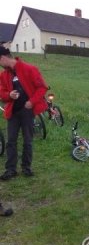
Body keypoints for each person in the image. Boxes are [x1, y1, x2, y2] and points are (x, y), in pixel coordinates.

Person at [0, 46, 48, 180]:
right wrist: (9, 94)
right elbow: (2, 93)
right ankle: (11, 170)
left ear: (3, 58)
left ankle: (26, 168)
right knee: (11, 141)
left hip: (27, 111)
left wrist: (32, 102)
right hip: (13, 113)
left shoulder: (29, 69)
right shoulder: (4, 75)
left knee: (28, 140)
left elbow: (42, 88)